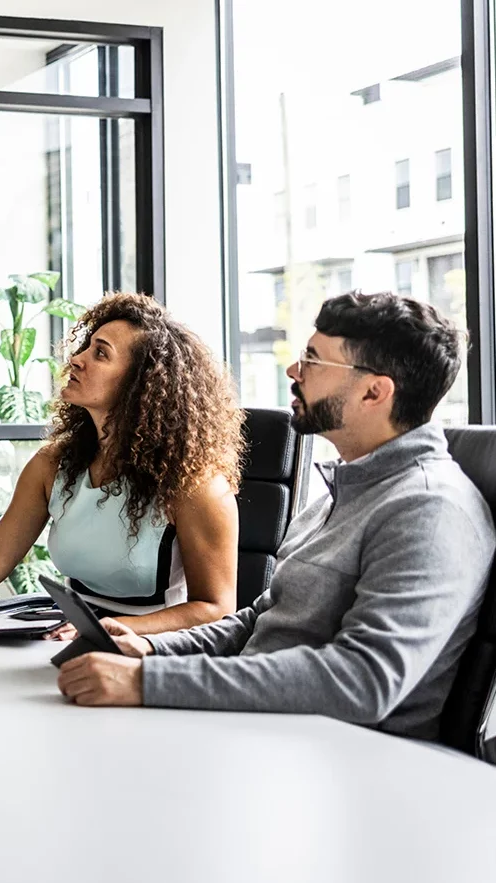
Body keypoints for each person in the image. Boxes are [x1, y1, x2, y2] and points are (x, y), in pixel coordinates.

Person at [57, 292, 495, 741]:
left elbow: (362, 680)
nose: (294, 371)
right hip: (264, 731)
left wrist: (147, 683)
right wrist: (151, 650)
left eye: (313, 360)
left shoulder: (429, 510)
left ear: (374, 391)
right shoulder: (342, 493)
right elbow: (261, 620)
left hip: (341, 758)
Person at [0, 292, 245, 636]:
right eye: (86, 346)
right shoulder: (54, 464)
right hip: (66, 638)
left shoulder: (196, 487)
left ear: (141, 384)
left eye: (100, 354)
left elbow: (215, 608)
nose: (77, 359)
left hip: (153, 652)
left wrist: (117, 630)